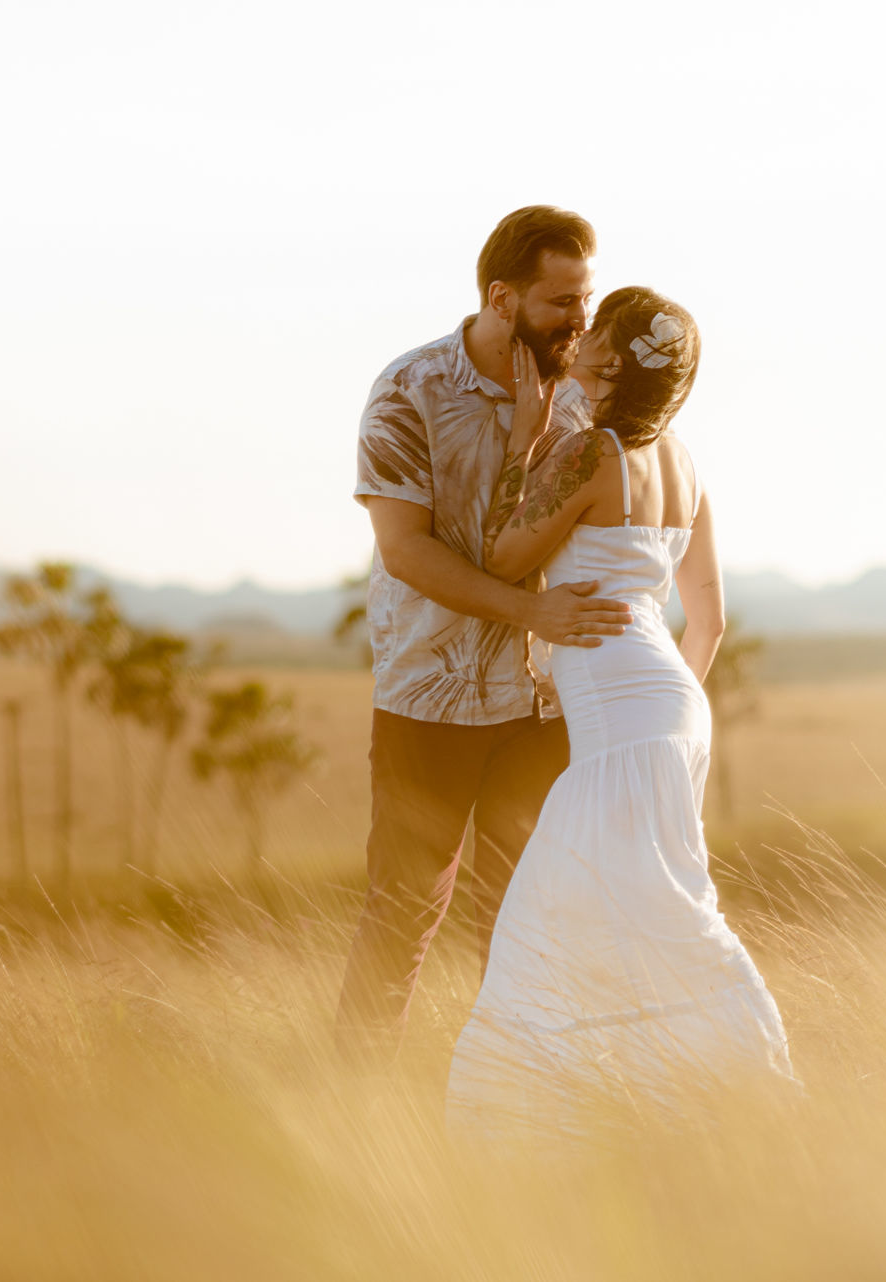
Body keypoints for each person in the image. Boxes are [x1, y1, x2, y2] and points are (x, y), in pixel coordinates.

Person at [445, 286, 796, 1135]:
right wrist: (663, 708)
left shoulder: (590, 454)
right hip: (675, 708)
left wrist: (528, 442)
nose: (585, 338)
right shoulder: (685, 465)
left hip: (623, 718)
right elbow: (706, 619)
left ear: (611, 355)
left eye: (598, 330)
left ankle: (561, 1117)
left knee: (578, 909)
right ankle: (692, 1098)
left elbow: (498, 552)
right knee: (654, 901)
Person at [335, 207, 634, 1058]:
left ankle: (517, 1101)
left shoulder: (584, 398)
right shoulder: (410, 390)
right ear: (502, 299)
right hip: (429, 695)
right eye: (559, 302)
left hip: (543, 705)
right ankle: (353, 1103)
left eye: (586, 297)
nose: (579, 321)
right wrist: (530, 610)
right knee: (402, 915)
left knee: (525, 916)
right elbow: (404, 551)